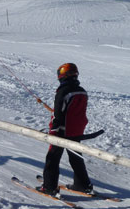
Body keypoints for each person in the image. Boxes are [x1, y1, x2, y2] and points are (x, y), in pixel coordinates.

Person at [37, 62, 94, 197]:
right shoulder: (82, 90)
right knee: (75, 157)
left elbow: (58, 113)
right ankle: (83, 185)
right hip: (76, 130)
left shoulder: (63, 90)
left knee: (53, 157)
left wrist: (54, 130)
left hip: (62, 131)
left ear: (62, 75)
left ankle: (49, 187)